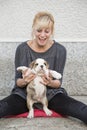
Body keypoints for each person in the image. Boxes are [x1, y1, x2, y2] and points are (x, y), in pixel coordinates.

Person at [0, 11, 87, 124]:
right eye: (39, 30)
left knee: (80, 109)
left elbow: (58, 82)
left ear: (52, 31)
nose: (42, 35)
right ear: (33, 30)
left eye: (47, 31)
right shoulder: (22, 49)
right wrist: (25, 80)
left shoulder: (60, 50)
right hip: (24, 95)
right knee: (2, 107)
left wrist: (50, 82)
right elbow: (18, 82)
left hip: (51, 95)